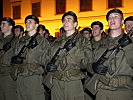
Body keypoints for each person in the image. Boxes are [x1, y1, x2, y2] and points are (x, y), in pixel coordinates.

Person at [43, 11, 92, 100]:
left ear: (75, 24)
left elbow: (86, 63)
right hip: (56, 80)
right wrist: (48, 65)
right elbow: (47, 57)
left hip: (73, 81)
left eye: (69, 20)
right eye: (64, 20)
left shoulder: (83, 41)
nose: (65, 22)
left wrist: (73, 50)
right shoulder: (56, 41)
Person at [92, 8, 133, 100]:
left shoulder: (131, 42)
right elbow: (88, 63)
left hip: (123, 91)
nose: (112, 20)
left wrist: (128, 46)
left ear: (122, 21)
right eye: (110, 18)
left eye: (116, 17)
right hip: (102, 90)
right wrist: (93, 67)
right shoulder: (100, 43)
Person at [10, 15, 50, 100]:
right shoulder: (21, 40)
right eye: (26, 22)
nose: (27, 24)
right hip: (21, 75)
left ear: (36, 25)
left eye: (30, 22)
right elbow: (14, 54)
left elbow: (46, 59)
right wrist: (15, 59)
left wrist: (36, 48)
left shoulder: (42, 41)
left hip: (34, 76)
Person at [0, 17, 18, 100]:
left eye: (4, 24)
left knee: (9, 96)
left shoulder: (16, 41)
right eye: (1, 24)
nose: (1, 26)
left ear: (10, 27)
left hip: (8, 76)